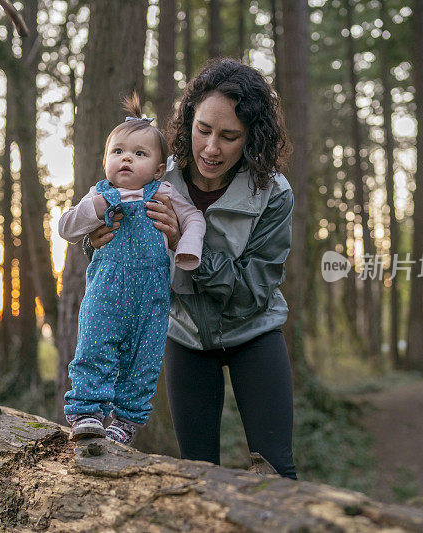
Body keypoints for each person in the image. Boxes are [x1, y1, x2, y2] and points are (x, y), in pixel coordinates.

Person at [87, 58, 298, 479]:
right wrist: (93, 242)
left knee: (277, 471)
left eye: (229, 136)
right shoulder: (153, 176)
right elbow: (108, 233)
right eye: (203, 130)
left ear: (251, 137)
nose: (211, 148)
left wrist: (185, 246)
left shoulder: (273, 193)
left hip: (253, 333)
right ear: (187, 122)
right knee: (197, 474)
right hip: (183, 337)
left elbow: (255, 290)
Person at [59, 94, 206, 445]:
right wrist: (95, 207)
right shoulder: (99, 194)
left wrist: (186, 249)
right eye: (119, 151)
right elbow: (67, 228)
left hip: (152, 298)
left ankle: (125, 422)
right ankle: (86, 413)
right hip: (105, 293)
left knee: (144, 358)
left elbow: (194, 219)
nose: (127, 158)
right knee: (94, 348)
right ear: (106, 160)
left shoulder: (164, 193)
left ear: (158, 168)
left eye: (140, 154)